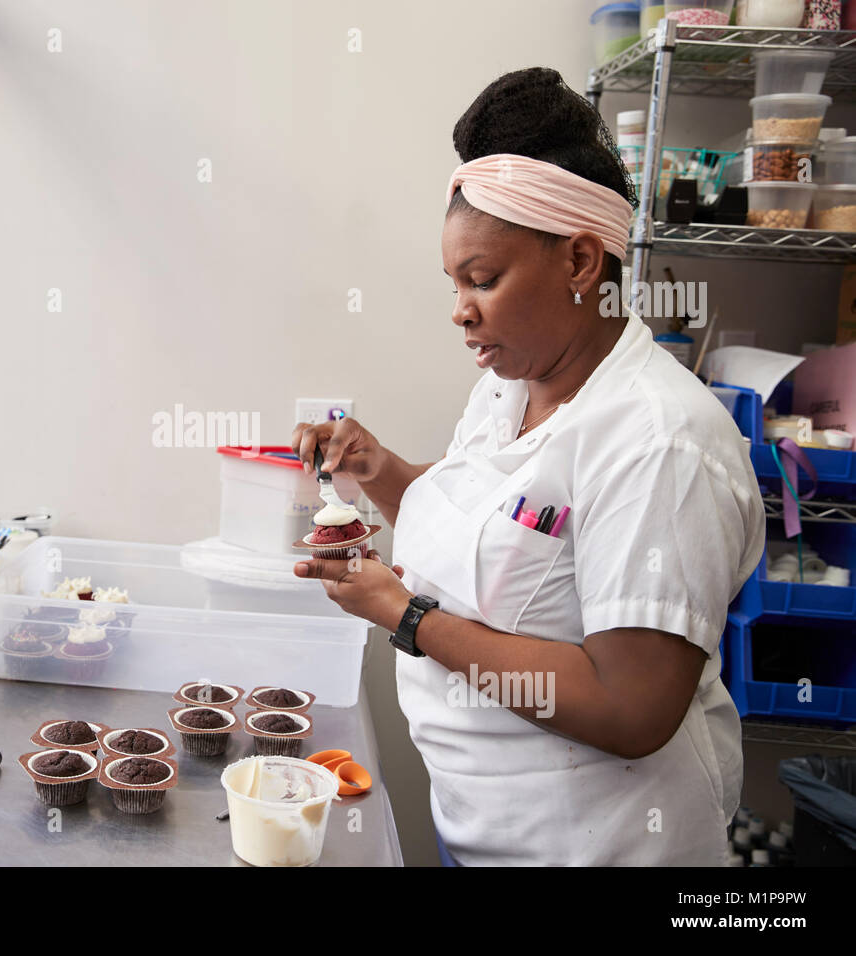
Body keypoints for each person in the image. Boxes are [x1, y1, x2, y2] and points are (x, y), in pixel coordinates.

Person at [291, 67, 764, 866]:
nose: (460, 309)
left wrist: (408, 617)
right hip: (480, 832)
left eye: (483, 280)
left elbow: (631, 706)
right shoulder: (512, 389)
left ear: (581, 264)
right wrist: (377, 468)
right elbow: (485, 535)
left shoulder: (658, 442)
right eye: (454, 283)